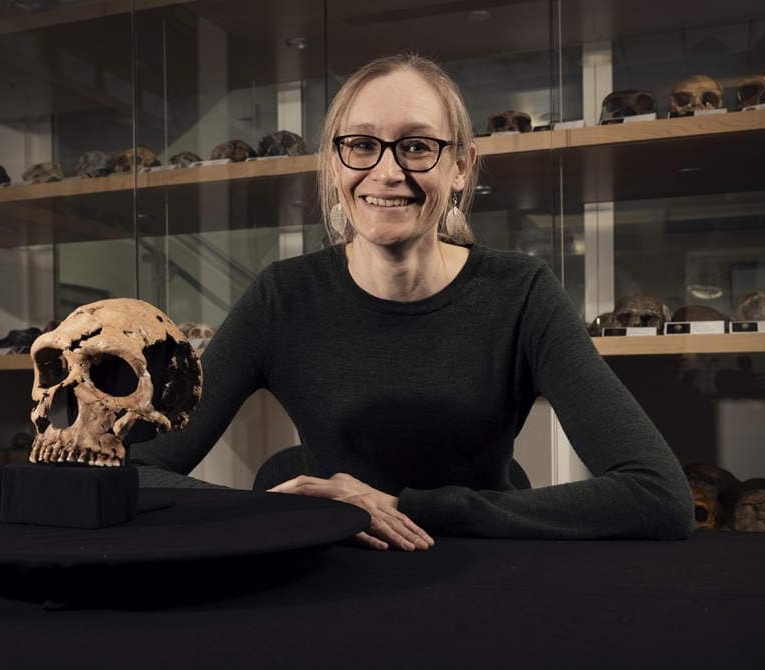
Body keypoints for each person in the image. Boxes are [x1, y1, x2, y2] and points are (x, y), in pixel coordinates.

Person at [132, 53, 694, 550]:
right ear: (334, 163)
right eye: (361, 145)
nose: (387, 171)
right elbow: (132, 471)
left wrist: (410, 507)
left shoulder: (522, 294)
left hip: (482, 569)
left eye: (418, 146)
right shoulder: (282, 296)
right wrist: (277, 511)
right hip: (330, 573)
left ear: (460, 168)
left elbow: (657, 494)